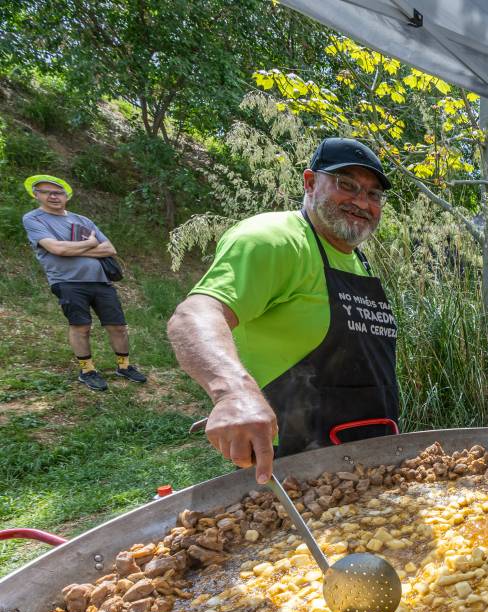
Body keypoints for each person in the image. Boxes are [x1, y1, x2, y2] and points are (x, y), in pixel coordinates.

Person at [168, 137, 397, 483]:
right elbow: (195, 314)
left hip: (372, 452)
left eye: (373, 194)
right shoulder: (273, 239)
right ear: (310, 182)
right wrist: (234, 391)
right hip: (292, 465)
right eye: (346, 185)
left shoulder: (358, 261)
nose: (362, 202)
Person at [22, 174, 147, 391]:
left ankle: (124, 366)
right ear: (36, 195)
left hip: (100, 281)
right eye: (46, 192)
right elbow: (56, 249)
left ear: (66, 196)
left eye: (58, 192)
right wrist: (89, 244)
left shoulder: (83, 220)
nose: (53, 196)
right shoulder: (34, 219)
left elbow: (110, 249)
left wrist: (71, 248)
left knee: (118, 326)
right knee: (81, 327)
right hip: (67, 282)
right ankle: (87, 370)